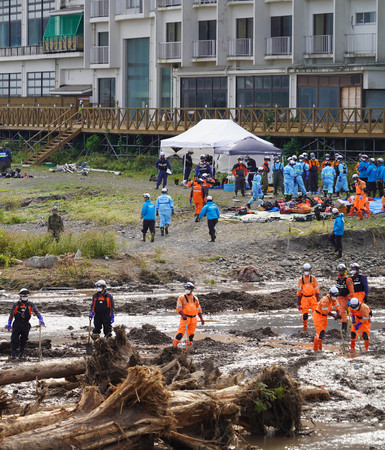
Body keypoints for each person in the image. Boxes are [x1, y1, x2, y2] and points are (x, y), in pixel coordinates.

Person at [6, 288, 45, 360]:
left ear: (28, 296)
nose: (24, 296)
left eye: (26, 295)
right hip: (17, 324)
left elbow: (36, 311)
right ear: (20, 296)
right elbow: (11, 314)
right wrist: (9, 323)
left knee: (24, 339)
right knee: (14, 339)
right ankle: (13, 355)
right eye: (23, 295)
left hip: (25, 324)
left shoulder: (30, 304)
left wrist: (40, 318)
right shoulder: (16, 304)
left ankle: (21, 354)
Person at [172, 282, 204, 348]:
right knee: (180, 334)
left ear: (192, 289)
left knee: (191, 335)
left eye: (189, 289)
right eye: (186, 288)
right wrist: (183, 315)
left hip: (194, 319)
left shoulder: (195, 298)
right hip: (185, 318)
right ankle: (173, 347)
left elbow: (199, 309)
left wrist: (201, 319)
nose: (187, 290)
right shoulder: (181, 298)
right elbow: (178, 308)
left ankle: (188, 348)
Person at [313, 287, 341, 351]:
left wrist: (338, 313)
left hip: (324, 317)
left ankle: (319, 349)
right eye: (334, 295)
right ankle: (315, 349)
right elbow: (325, 310)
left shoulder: (333, 299)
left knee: (322, 332)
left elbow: (337, 306)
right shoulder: (325, 300)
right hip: (318, 316)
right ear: (331, 294)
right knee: (319, 332)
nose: (335, 297)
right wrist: (334, 315)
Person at [297, 263, 319, 332]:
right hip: (304, 298)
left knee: (316, 312)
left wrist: (317, 299)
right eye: (305, 270)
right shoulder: (301, 279)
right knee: (305, 314)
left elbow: (317, 289)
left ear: (309, 270)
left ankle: (317, 326)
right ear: (303, 270)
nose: (306, 271)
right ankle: (305, 326)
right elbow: (299, 291)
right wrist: (299, 302)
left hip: (312, 297)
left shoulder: (313, 278)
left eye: (307, 270)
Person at [336, 263, 354, 333]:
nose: (340, 272)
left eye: (342, 271)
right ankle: (343, 327)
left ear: (344, 271)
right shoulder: (338, 279)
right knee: (340, 312)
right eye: (339, 271)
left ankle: (345, 328)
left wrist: (349, 299)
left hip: (345, 298)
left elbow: (351, 291)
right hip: (339, 298)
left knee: (343, 313)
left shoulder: (348, 279)